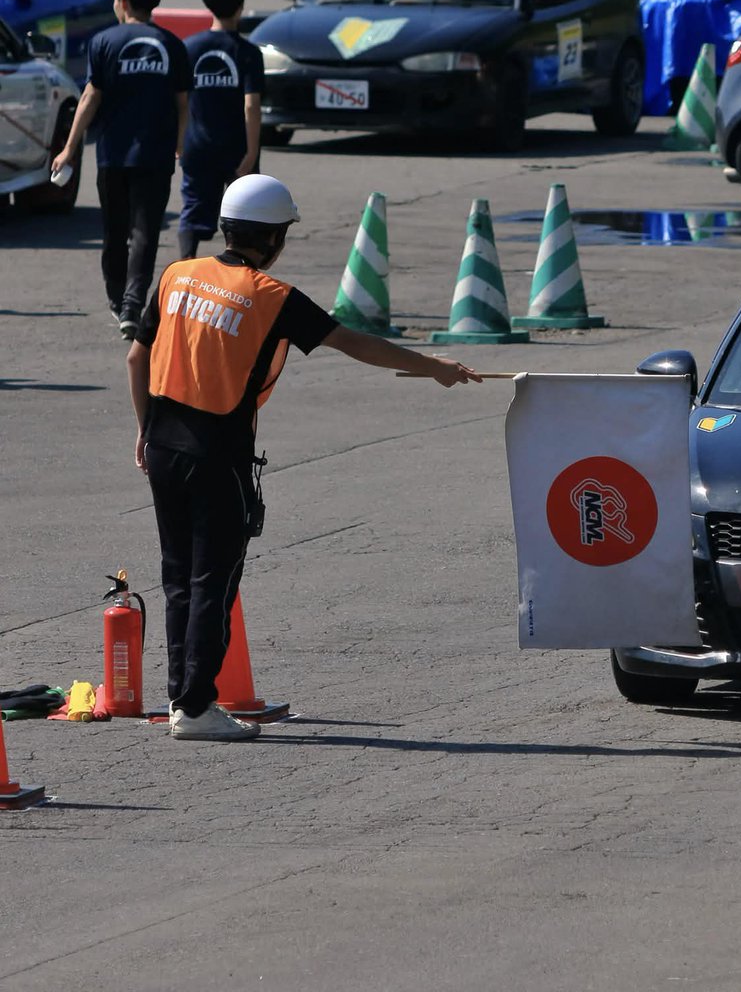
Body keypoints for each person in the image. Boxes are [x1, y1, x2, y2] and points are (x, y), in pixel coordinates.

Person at [125, 174, 482, 742]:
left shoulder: (177, 274)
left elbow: (137, 356)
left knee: (179, 580)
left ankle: (181, 700)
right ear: (273, 239)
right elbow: (355, 342)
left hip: (165, 445)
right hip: (219, 454)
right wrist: (433, 367)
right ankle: (193, 709)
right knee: (213, 581)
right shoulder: (272, 298)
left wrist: (144, 429)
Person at [52, 0, 191, 341]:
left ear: (123, 2)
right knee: (145, 232)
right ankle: (132, 303)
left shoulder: (104, 41)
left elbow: (90, 97)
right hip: (156, 154)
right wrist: (180, 142)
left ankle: (119, 299)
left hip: (113, 155)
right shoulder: (173, 45)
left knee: (114, 232)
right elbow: (183, 103)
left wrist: (69, 147)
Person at [177, 0, 264, 260]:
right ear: (240, 7)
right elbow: (251, 105)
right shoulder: (248, 53)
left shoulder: (189, 48)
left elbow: (180, 101)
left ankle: (185, 268)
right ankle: (242, 272)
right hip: (237, 147)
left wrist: (179, 142)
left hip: (197, 145)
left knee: (192, 211)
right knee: (246, 216)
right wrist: (251, 154)